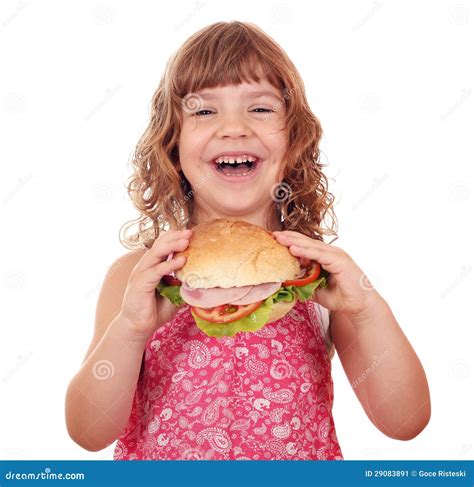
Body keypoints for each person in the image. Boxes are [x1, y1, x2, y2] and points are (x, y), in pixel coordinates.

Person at [65, 21, 430, 460]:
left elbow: (405, 422)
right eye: (203, 110)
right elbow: (89, 433)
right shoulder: (137, 277)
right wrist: (129, 330)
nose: (233, 128)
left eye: (260, 109)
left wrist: (367, 309)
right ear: (172, 143)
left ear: (294, 139)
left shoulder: (314, 278)